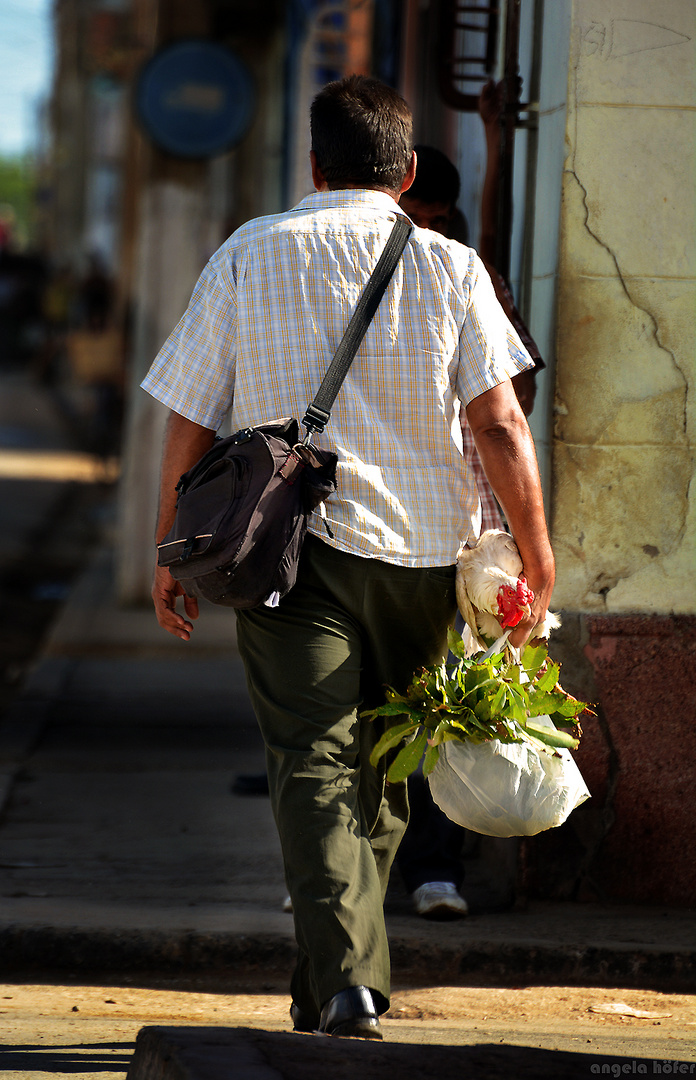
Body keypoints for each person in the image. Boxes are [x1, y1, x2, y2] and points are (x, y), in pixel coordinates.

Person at [142, 75, 555, 1041]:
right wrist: (536, 558)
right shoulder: (452, 267)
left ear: (314, 165)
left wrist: (171, 542)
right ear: (408, 173)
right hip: (421, 560)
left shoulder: (251, 252)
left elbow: (190, 413)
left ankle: (343, 985)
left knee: (313, 766)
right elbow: (499, 422)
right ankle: (339, 982)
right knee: (383, 769)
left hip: (289, 555)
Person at [395, 139, 545, 919]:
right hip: (378, 525)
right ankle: (343, 873)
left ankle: (433, 868)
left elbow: (511, 400)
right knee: (368, 705)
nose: (413, 230)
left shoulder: (465, 278)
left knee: (446, 703)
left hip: (466, 535)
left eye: (429, 219)